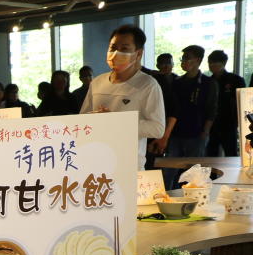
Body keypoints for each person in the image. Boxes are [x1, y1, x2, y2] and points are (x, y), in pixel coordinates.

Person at [79, 24, 165, 170]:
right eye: (113, 48)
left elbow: (157, 128)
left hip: (129, 165)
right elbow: (82, 120)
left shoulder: (148, 84)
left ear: (138, 54)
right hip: (96, 162)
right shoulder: (98, 82)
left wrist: (117, 121)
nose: (116, 53)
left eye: (124, 49)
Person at [164, 45, 218, 190]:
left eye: (187, 58)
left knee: (195, 171)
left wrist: (205, 131)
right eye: (182, 58)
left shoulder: (208, 83)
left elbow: (212, 109)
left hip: (197, 132)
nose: (183, 62)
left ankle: (195, 198)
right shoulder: (177, 82)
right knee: (169, 170)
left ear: (198, 60)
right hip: (176, 133)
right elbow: (171, 108)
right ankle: (166, 197)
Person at [206, 50, 245, 157]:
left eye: (215, 62)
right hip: (211, 124)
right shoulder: (208, 82)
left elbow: (242, 103)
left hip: (229, 124)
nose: (211, 65)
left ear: (224, 63)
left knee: (231, 153)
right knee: (211, 154)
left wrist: (238, 122)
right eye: (210, 63)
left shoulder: (236, 80)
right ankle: (211, 174)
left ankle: (232, 174)